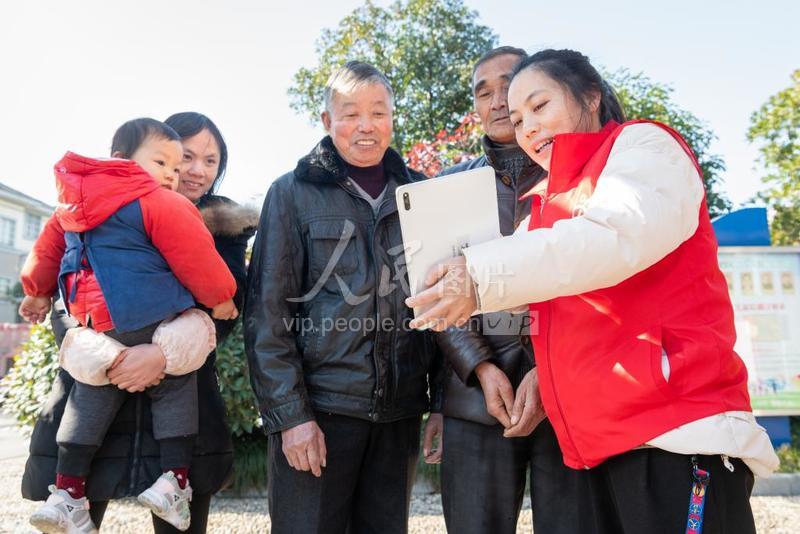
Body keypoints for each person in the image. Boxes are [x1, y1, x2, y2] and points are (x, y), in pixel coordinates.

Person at [406, 49, 778, 533]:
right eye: (518, 120)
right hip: (601, 446)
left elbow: (609, 237)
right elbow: (528, 281)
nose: (528, 128)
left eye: (540, 106)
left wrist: (476, 278)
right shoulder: (550, 201)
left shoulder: (644, 147)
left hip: (676, 436)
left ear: (590, 96)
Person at [21, 112, 257, 534]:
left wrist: (162, 355)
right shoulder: (96, 207)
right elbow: (65, 288)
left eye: (211, 161)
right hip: (96, 384)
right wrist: (104, 353)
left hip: (180, 403)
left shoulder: (226, 224)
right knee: (73, 509)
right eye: (184, 157)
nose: (193, 171)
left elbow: (227, 305)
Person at [245, 61, 436, 534]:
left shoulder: (422, 193)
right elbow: (267, 315)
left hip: (397, 415)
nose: (366, 126)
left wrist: (442, 404)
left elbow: (444, 309)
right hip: (319, 414)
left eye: (378, 112)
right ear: (327, 120)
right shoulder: (291, 193)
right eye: (350, 114)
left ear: (392, 118)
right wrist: (291, 417)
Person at [423, 46, 596, 534]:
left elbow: (595, 278)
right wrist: (480, 367)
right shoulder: (447, 186)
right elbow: (433, 291)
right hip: (475, 400)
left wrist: (547, 369)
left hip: (568, 394)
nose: (498, 101)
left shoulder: (584, 175)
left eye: (509, 87)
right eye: (484, 93)